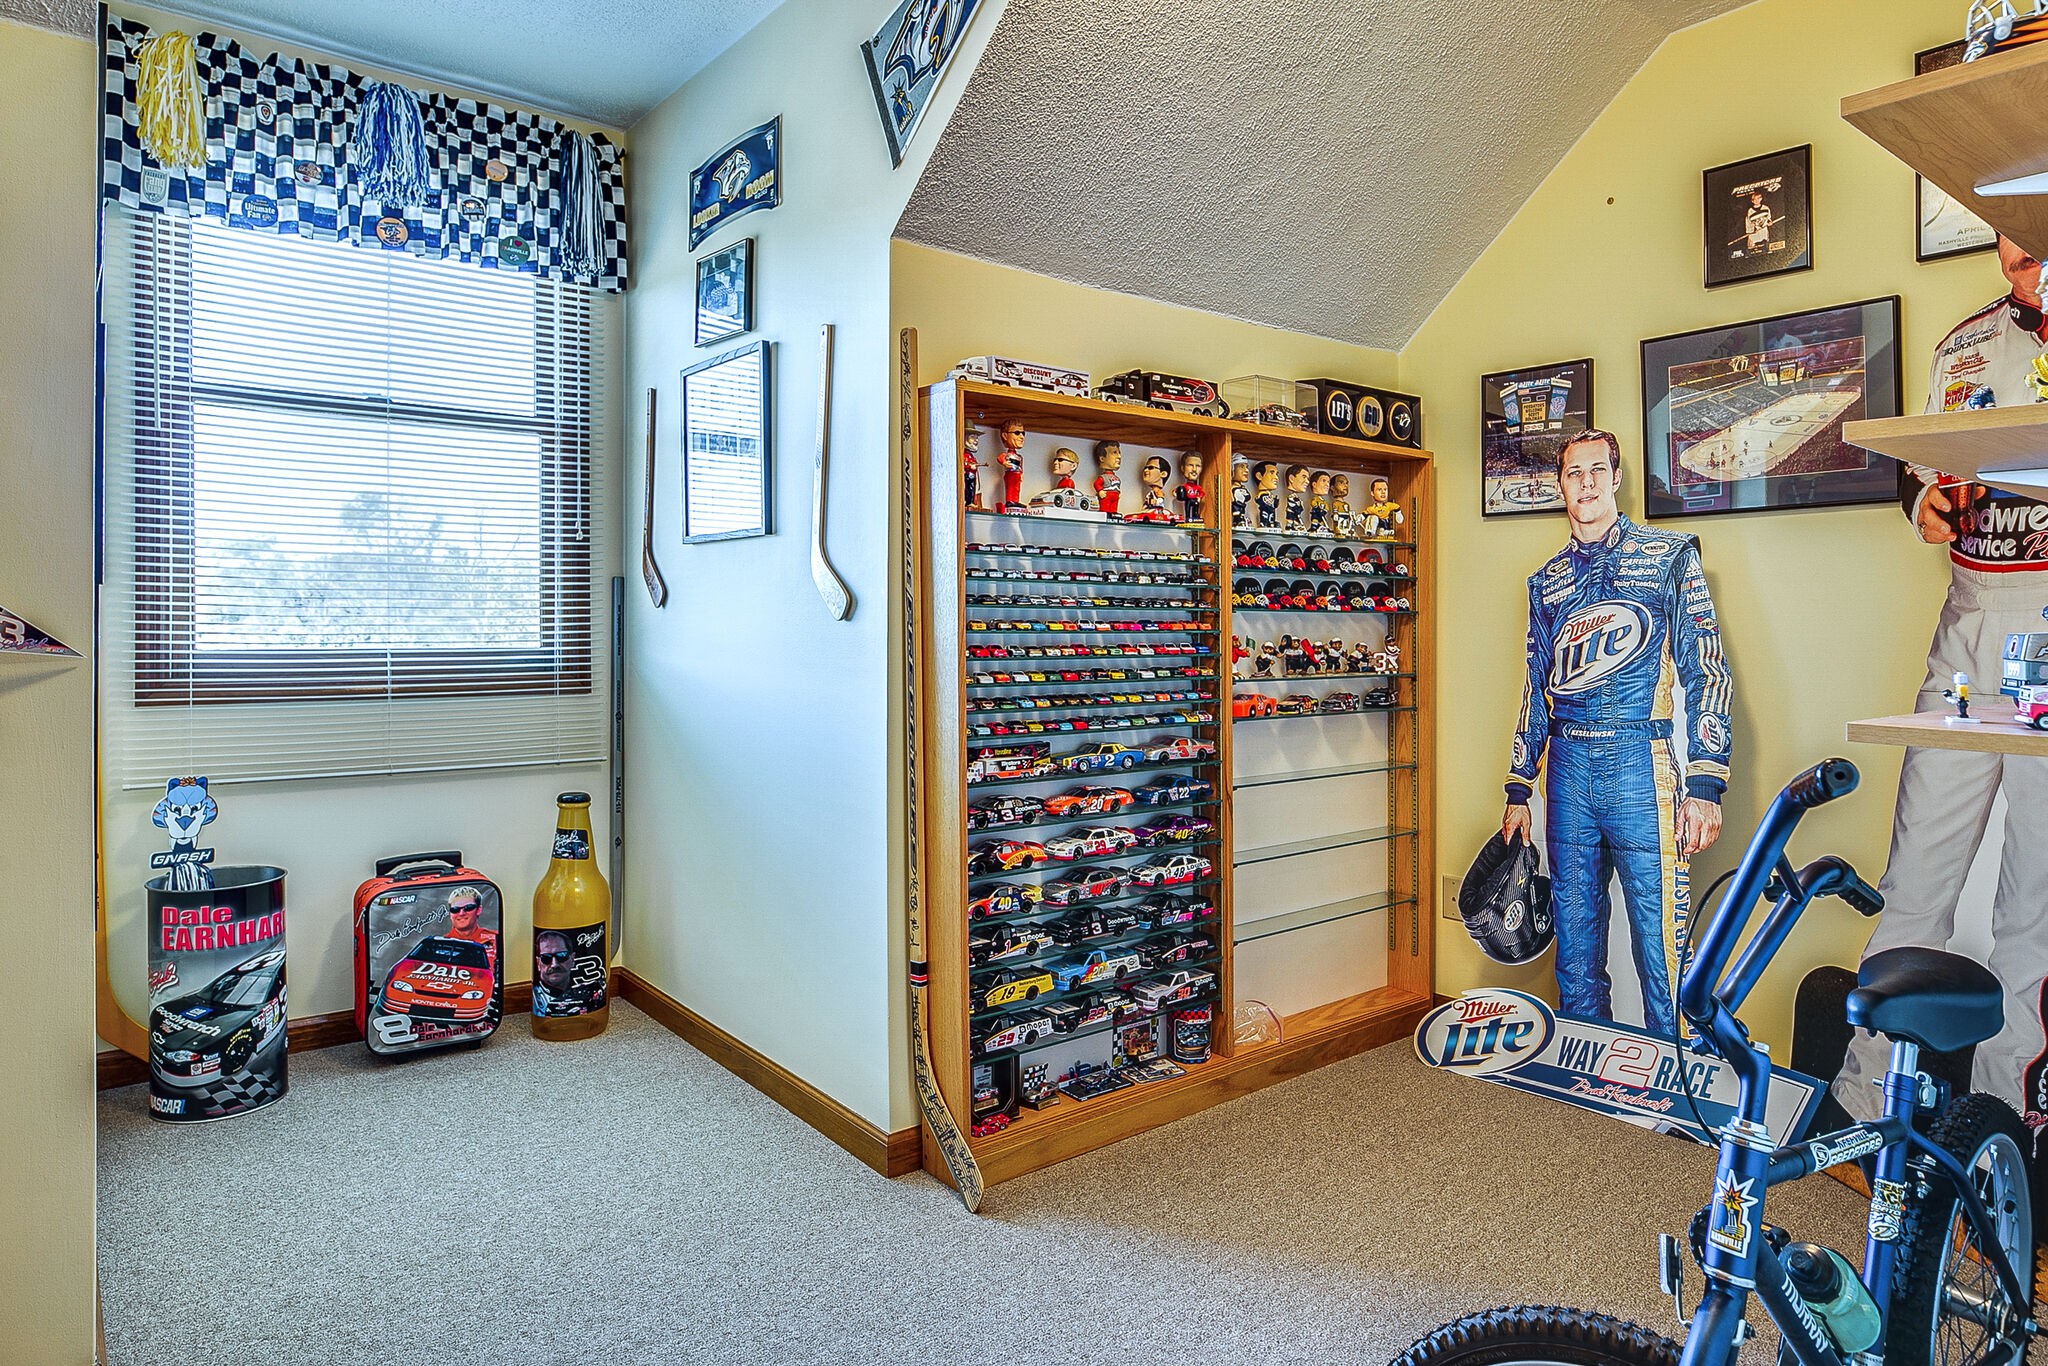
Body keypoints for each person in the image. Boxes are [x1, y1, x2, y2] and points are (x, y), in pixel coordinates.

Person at [1831, 234, 2048, 1124]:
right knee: (1914, 881)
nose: (2020, 251)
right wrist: (1927, 504)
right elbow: (1920, 482)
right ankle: (1863, 1105)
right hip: (1964, 630)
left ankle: (2012, 1121)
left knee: (2033, 907)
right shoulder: (1963, 346)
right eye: (2008, 238)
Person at [1502, 428, 1733, 1033]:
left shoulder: (1670, 556)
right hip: (1568, 769)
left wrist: (1706, 782)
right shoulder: (1545, 581)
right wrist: (1519, 788)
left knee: (1664, 948)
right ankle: (1588, 1094)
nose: (1586, 484)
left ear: (1616, 476)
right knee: (1575, 949)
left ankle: (1678, 1098)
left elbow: (1706, 668)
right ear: (1560, 486)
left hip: (1643, 760)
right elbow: (1535, 688)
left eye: (1597, 470)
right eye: (1573, 474)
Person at [442, 886, 497, 970]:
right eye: (455, 909)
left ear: (478, 910)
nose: (461, 913)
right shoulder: (440, 944)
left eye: (468, 908)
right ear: (450, 914)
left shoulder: (496, 938)